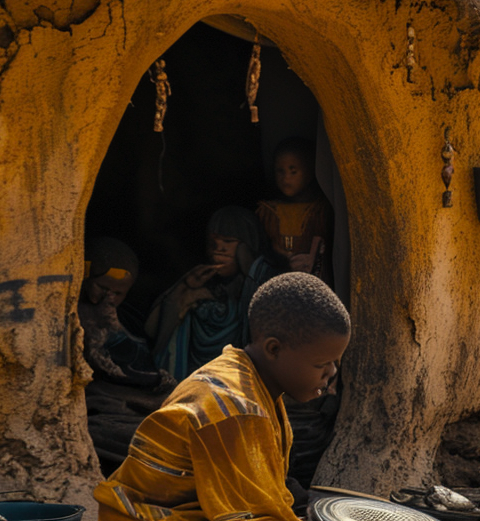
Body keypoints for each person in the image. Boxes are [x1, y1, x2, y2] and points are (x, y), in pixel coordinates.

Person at [92, 272, 369, 521]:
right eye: (322, 363)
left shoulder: (256, 386)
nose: (331, 374)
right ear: (274, 349)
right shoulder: (235, 407)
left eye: (335, 363)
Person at [147, 206, 281, 383]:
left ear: (247, 245)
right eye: (213, 242)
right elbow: (151, 331)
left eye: (228, 241)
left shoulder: (260, 288)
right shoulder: (202, 285)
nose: (218, 249)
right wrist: (184, 287)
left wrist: (247, 265)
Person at [79, 237, 172, 390]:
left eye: (118, 293)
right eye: (102, 287)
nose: (109, 297)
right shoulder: (72, 311)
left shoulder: (129, 319)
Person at [256, 137, 334, 287]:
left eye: (293, 171)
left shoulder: (319, 212)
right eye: (280, 171)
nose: (286, 178)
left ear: (311, 171)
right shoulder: (268, 212)